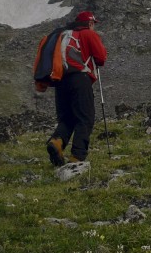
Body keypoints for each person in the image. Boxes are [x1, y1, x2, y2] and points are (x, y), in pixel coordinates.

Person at [46, 11, 109, 166]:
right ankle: (77, 156)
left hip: (60, 80)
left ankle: (57, 142)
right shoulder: (88, 34)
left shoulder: (62, 36)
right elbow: (101, 57)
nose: (93, 26)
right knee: (85, 117)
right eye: (93, 23)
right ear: (89, 23)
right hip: (80, 79)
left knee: (67, 117)